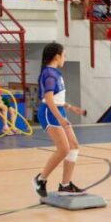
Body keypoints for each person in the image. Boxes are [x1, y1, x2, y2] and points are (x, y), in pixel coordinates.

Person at [33, 43, 87, 197]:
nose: (65, 58)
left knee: (74, 146)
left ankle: (65, 184)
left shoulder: (55, 73)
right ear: (57, 56)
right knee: (64, 149)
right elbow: (49, 99)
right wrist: (61, 119)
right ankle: (40, 180)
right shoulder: (49, 74)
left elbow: (56, 98)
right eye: (64, 55)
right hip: (50, 114)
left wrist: (70, 107)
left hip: (59, 111)